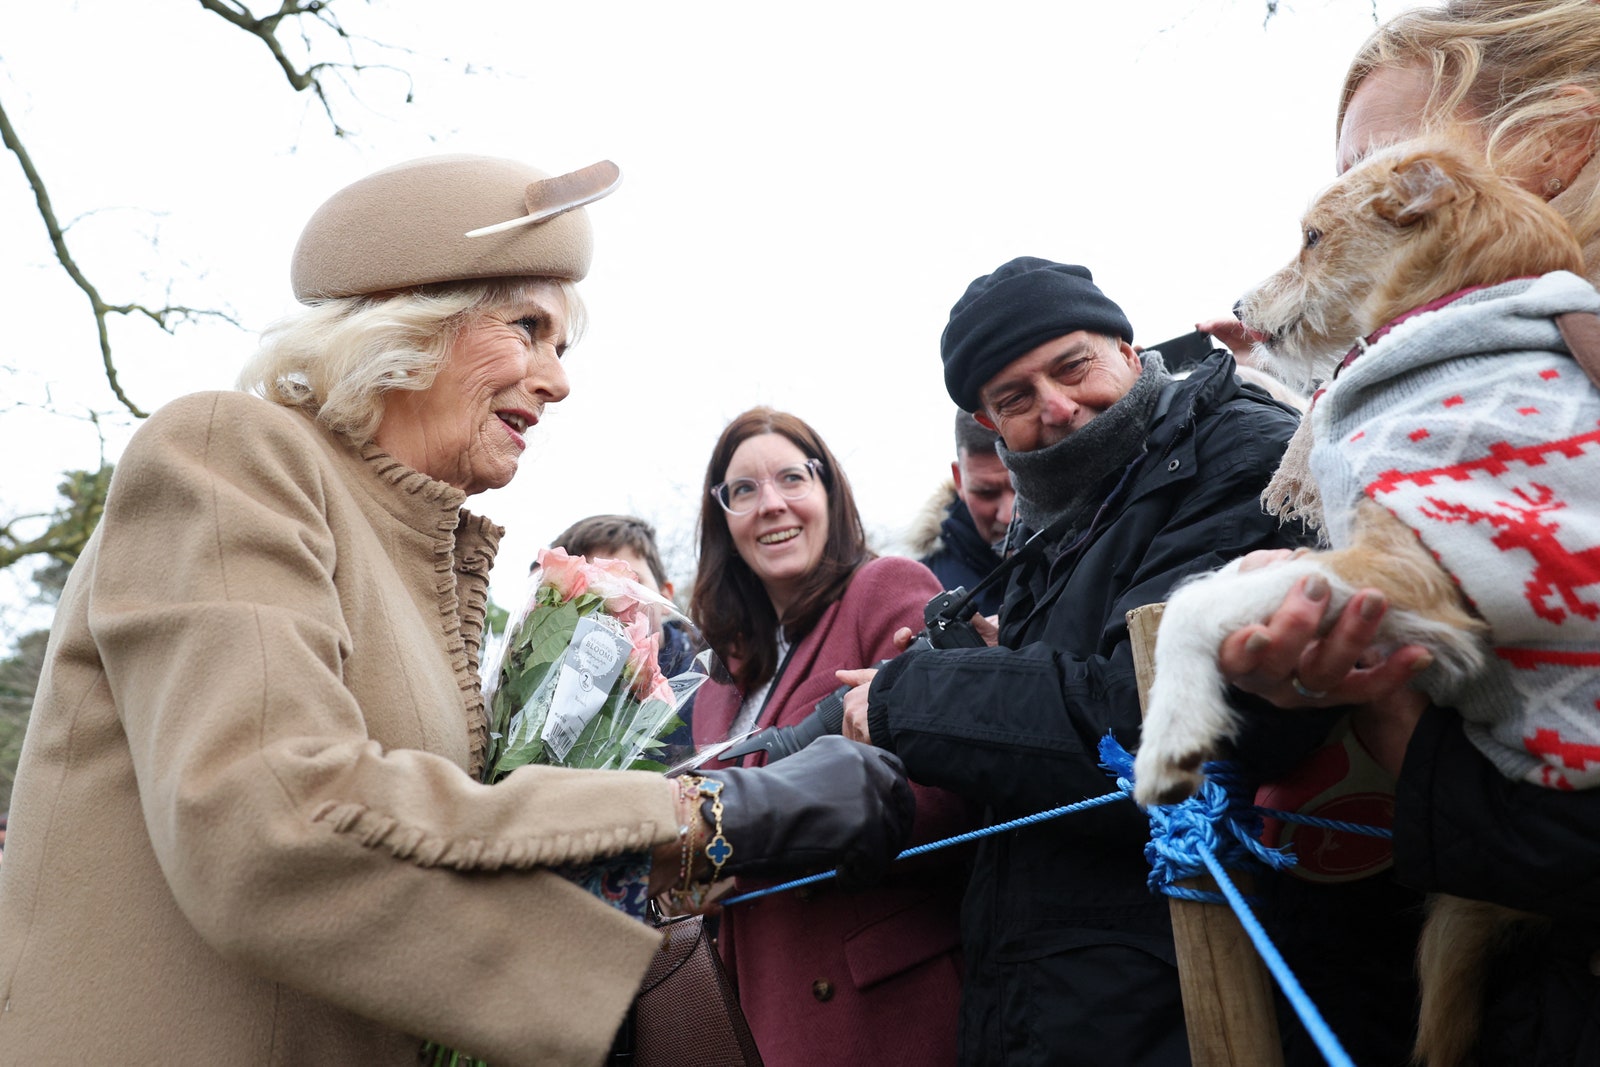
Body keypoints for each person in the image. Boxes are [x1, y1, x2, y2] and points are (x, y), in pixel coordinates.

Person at [0, 154, 915, 1065]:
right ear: (411, 325)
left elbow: (429, 834)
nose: (557, 380)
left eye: (562, 347)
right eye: (528, 328)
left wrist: (764, 768)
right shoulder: (227, 453)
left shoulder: (417, 557)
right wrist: (708, 816)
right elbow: (276, 824)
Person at [1209, 3, 1600, 1061]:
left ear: (1558, 139)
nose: (1355, 203)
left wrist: (1401, 726)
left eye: (1383, 164)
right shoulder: (1470, 384)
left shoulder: (1542, 374)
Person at [838, 257, 1318, 1065]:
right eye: (1015, 399)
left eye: (1072, 367)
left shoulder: (1243, 450)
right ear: (989, 427)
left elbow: (1151, 718)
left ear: (1129, 351)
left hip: (1195, 992)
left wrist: (910, 697)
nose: (1057, 409)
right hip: (1061, 995)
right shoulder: (1061, 506)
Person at [688, 407, 975, 1067]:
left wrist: (790, 811)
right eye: (744, 490)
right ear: (723, 520)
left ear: (829, 491)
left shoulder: (885, 588)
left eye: (792, 477)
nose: (771, 504)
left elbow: (950, 787)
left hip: (884, 1010)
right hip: (764, 1016)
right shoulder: (716, 682)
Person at [549, 513, 700, 762]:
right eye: (593, 585)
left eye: (634, 582)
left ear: (665, 597)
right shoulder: (549, 688)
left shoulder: (712, 680)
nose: (616, 600)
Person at [907, 410, 1015, 616]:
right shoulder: (922, 591)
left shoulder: (1089, 551)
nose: (1008, 515)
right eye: (986, 493)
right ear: (959, 480)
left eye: (1022, 487)